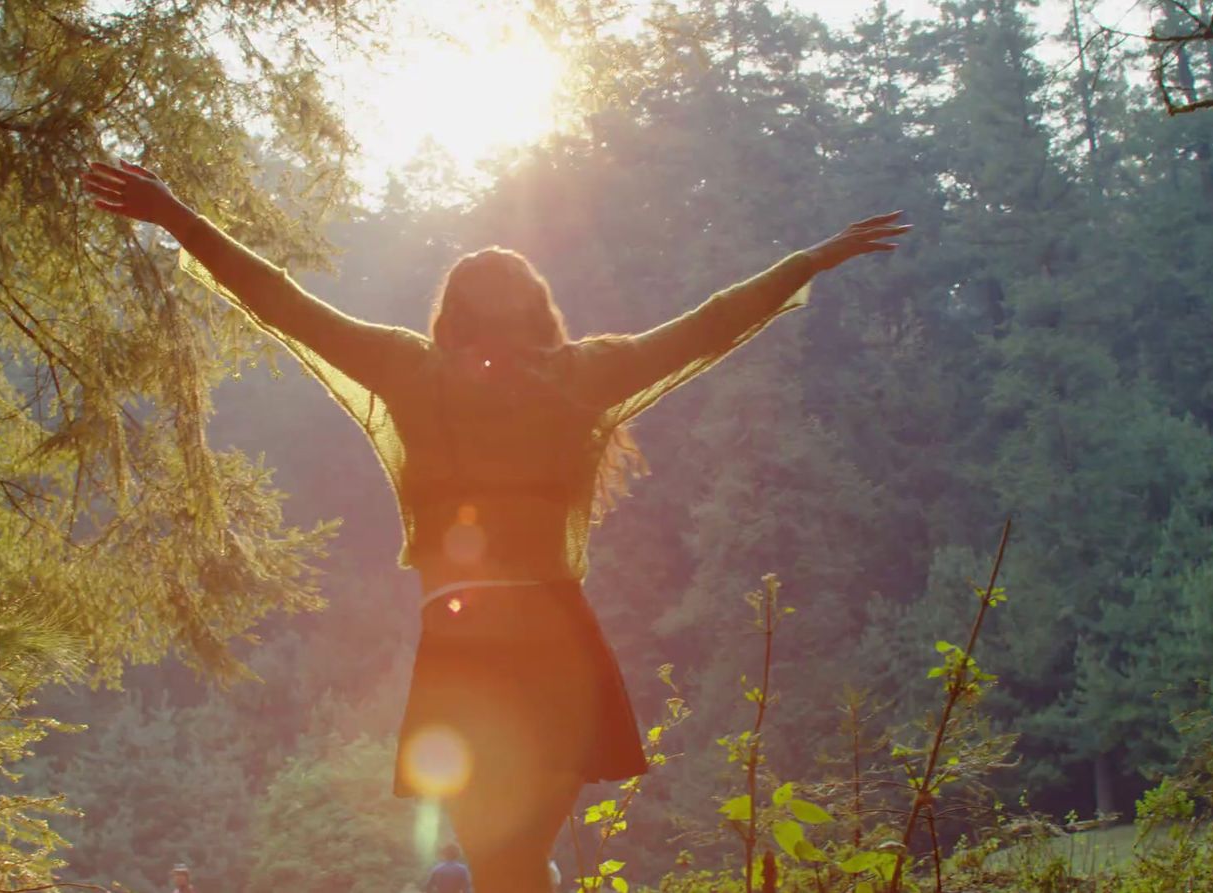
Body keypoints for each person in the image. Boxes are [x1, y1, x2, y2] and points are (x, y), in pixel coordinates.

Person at [83, 160, 907, 893]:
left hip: (464, 635)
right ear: (539, 310)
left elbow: (286, 303)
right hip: (555, 634)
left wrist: (177, 217)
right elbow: (709, 323)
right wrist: (811, 259)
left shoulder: (412, 369)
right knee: (516, 864)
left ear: (453, 313)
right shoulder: (581, 374)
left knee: (499, 866)